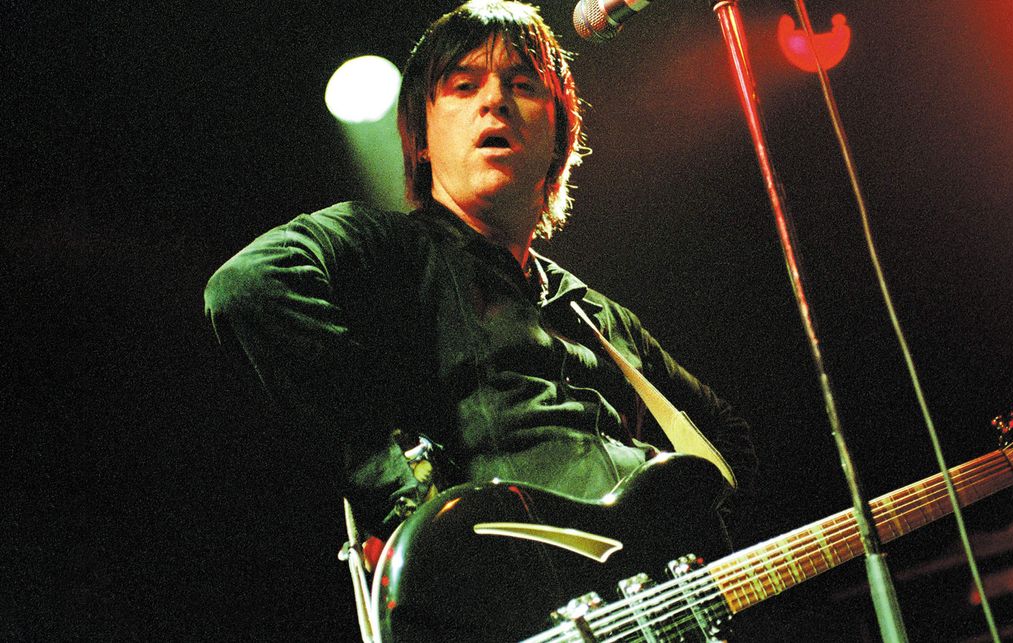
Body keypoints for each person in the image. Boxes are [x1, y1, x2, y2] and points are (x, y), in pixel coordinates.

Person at [204, 0, 755, 592]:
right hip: (506, 601)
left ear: (559, 134)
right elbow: (248, 285)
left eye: (522, 85)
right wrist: (398, 490)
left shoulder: (598, 317)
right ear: (419, 137)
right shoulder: (391, 252)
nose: (494, 100)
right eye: (463, 86)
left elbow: (728, 448)